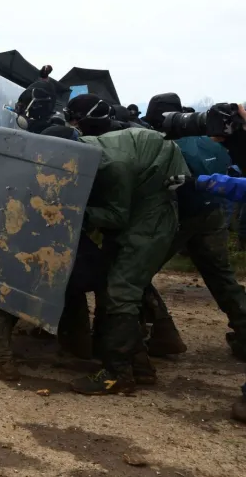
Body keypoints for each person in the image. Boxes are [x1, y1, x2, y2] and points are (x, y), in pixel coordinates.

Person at [61, 95, 189, 395]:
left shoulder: (111, 165)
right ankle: (140, 367)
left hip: (151, 219)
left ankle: (117, 374)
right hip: (144, 204)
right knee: (113, 285)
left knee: (121, 291)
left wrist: (76, 211)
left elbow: (117, 216)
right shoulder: (92, 146)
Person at [133, 94, 246, 360]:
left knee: (137, 274)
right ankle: (244, 333)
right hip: (213, 212)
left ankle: (160, 334)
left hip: (177, 217)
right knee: (222, 277)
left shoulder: (162, 142)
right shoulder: (212, 138)